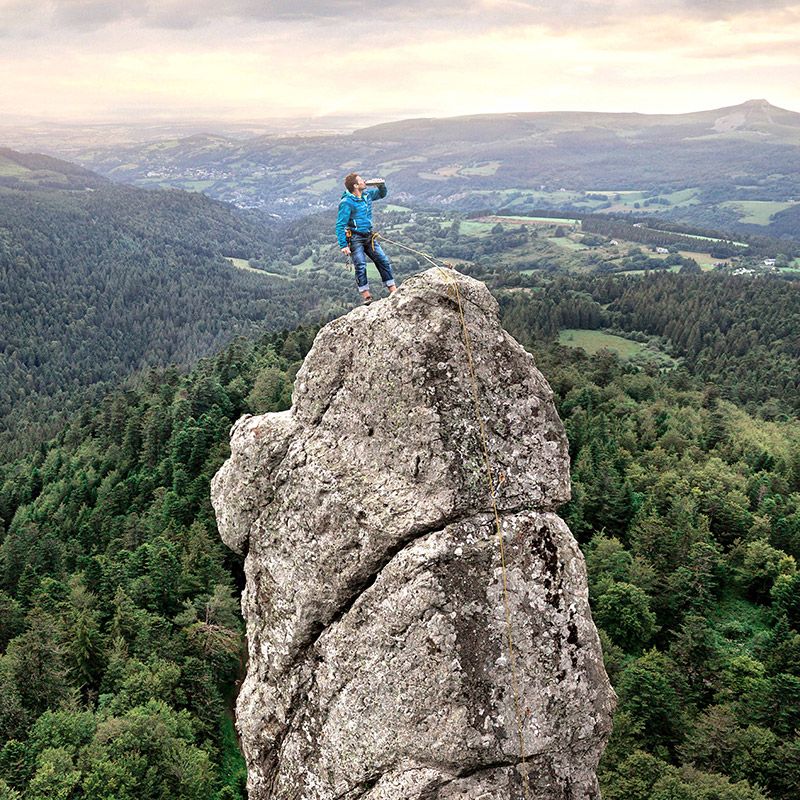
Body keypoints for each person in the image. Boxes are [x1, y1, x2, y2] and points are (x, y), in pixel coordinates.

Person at [336, 172, 397, 304]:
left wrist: (381, 186)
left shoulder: (366, 195)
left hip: (369, 236)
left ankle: (393, 290)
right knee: (360, 265)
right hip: (355, 238)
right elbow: (340, 225)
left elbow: (382, 194)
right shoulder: (346, 202)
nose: (364, 181)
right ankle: (367, 296)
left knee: (383, 260)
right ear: (356, 185)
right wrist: (343, 245)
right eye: (361, 180)